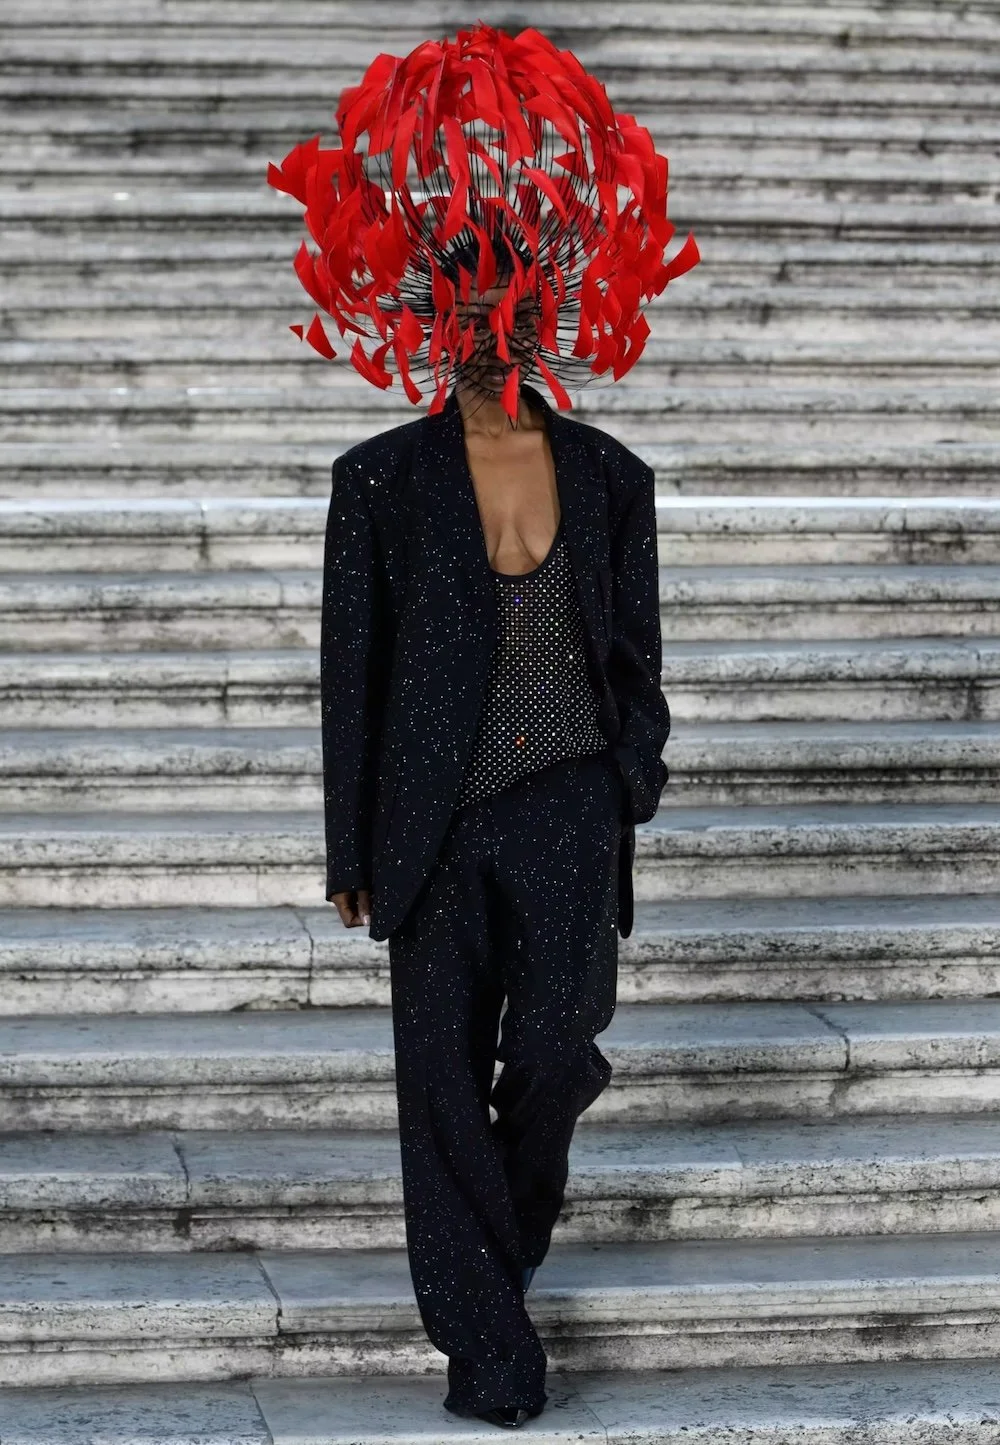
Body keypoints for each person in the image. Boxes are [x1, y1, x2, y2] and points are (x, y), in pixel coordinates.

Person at [267, 20, 699, 1429]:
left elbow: (636, 650)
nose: (491, 327)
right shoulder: (378, 482)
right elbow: (356, 670)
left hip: (573, 800)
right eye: (469, 304)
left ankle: (486, 1261)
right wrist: (351, 839)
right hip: (432, 819)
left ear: (545, 311)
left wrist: (632, 773)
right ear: (432, 315)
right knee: (438, 1080)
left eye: (512, 303)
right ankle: (487, 1342)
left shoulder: (611, 472)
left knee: (562, 1052)